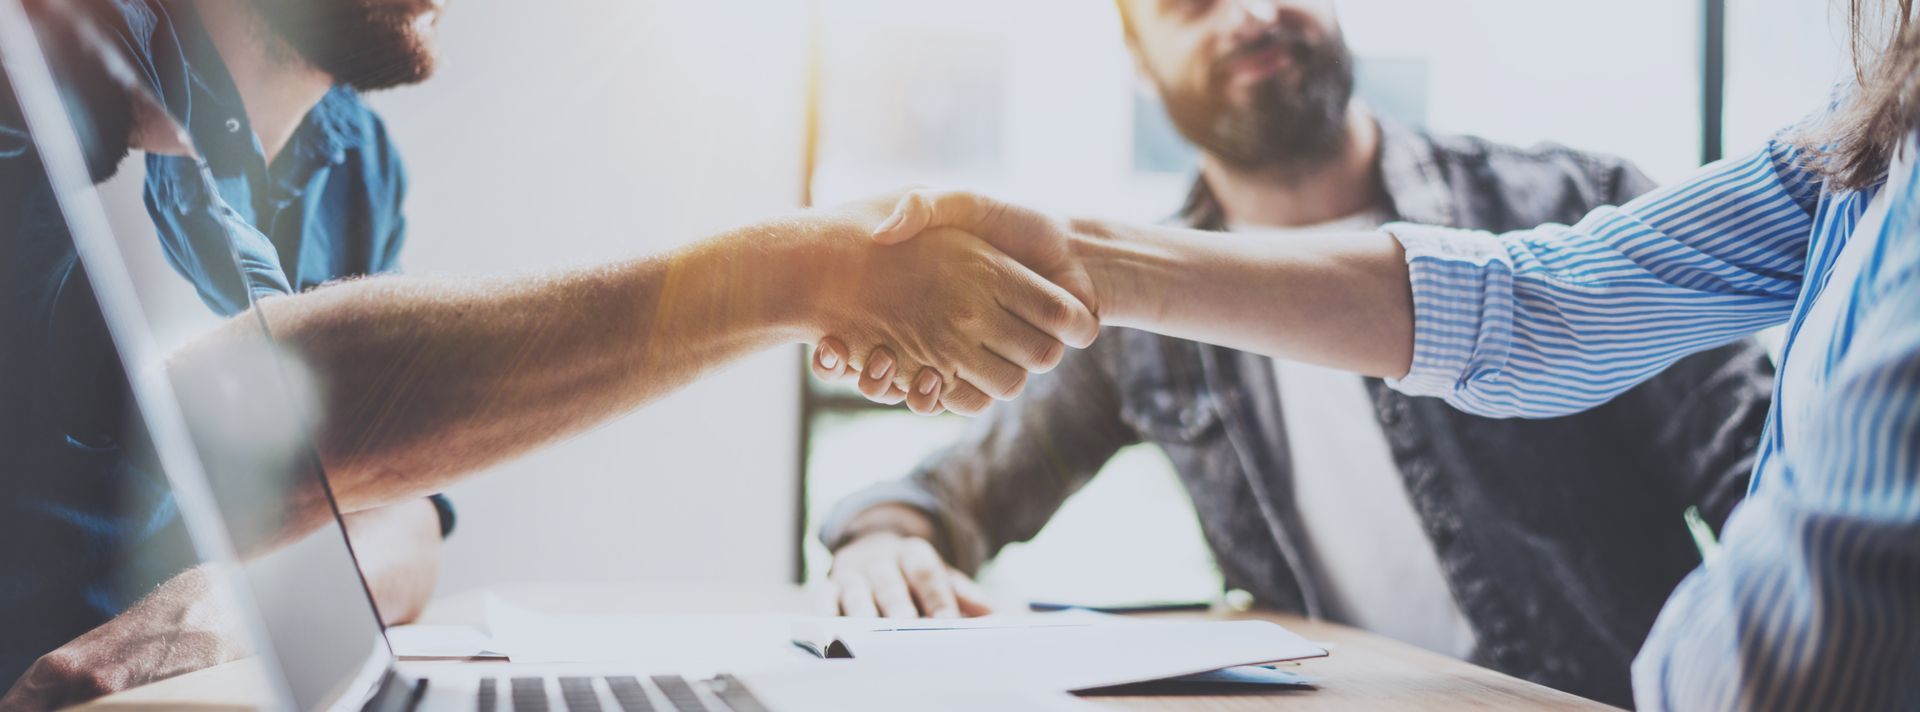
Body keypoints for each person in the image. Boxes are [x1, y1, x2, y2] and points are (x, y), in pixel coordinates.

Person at [0, 0, 1095, 708]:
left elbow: (403, 515)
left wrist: (251, 597)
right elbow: (248, 414)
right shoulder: (42, 73)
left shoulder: (356, 164)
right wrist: (802, 274)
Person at [844, 1, 1920, 707]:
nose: (1251, 14)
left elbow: (1772, 489)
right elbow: (948, 491)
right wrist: (887, 538)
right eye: (1192, 3)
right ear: (1137, 58)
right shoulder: (1140, 342)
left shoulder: (1564, 201)